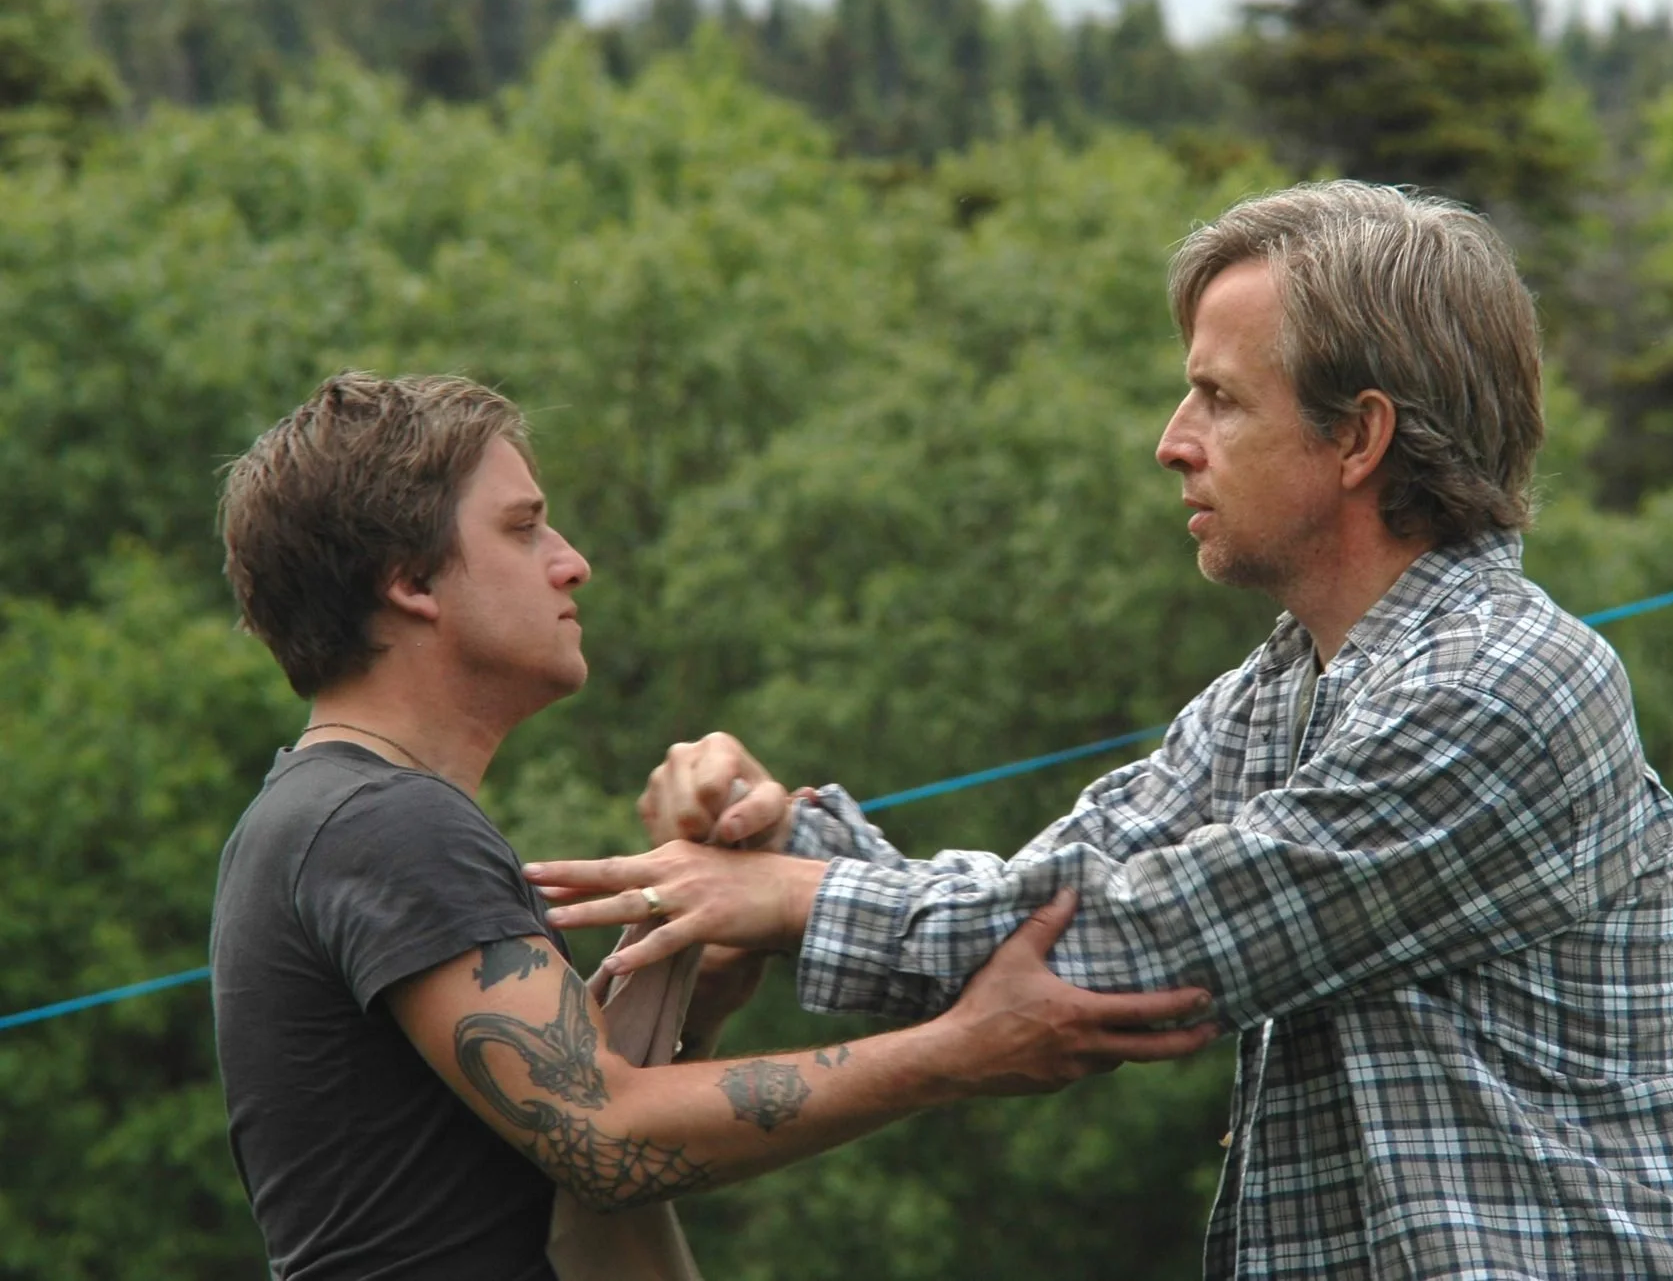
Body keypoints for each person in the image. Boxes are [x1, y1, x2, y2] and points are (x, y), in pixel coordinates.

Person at [525, 183, 1673, 1279]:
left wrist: (786, 894)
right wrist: (793, 835)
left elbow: (1130, 949)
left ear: (1360, 439)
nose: (1172, 443)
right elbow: (1028, 932)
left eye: (1220, 398)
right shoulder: (1283, 687)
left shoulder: (1503, 684)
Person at [208, 372, 1217, 1280]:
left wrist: (709, 971)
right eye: (523, 528)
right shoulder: (384, 823)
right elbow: (602, 1136)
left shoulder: (324, 812)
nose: (574, 564)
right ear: (410, 581)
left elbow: (534, 1155)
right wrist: (957, 1050)